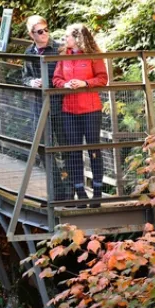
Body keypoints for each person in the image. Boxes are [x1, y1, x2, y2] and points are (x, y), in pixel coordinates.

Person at [52, 23, 108, 204]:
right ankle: (80, 192)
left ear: (77, 38)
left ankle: (98, 191)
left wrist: (85, 83)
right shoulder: (63, 56)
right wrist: (65, 85)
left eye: (67, 36)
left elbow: (102, 78)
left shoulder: (93, 56)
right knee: (74, 150)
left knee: (93, 148)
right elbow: (56, 79)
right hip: (69, 109)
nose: (64, 39)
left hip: (90, 109)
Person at [22, 16, 70, 201]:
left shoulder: (59, 49)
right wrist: (32, 82)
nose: (44, 34)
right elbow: (24, 77)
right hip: (39, 106)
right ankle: (56, 190)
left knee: (66, 147)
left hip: (60, 104)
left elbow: (68, 72)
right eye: (39, 31)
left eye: (46, 29)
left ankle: (70, 191)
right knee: (42, 147)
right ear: (31, 34)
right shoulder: (29, 52)